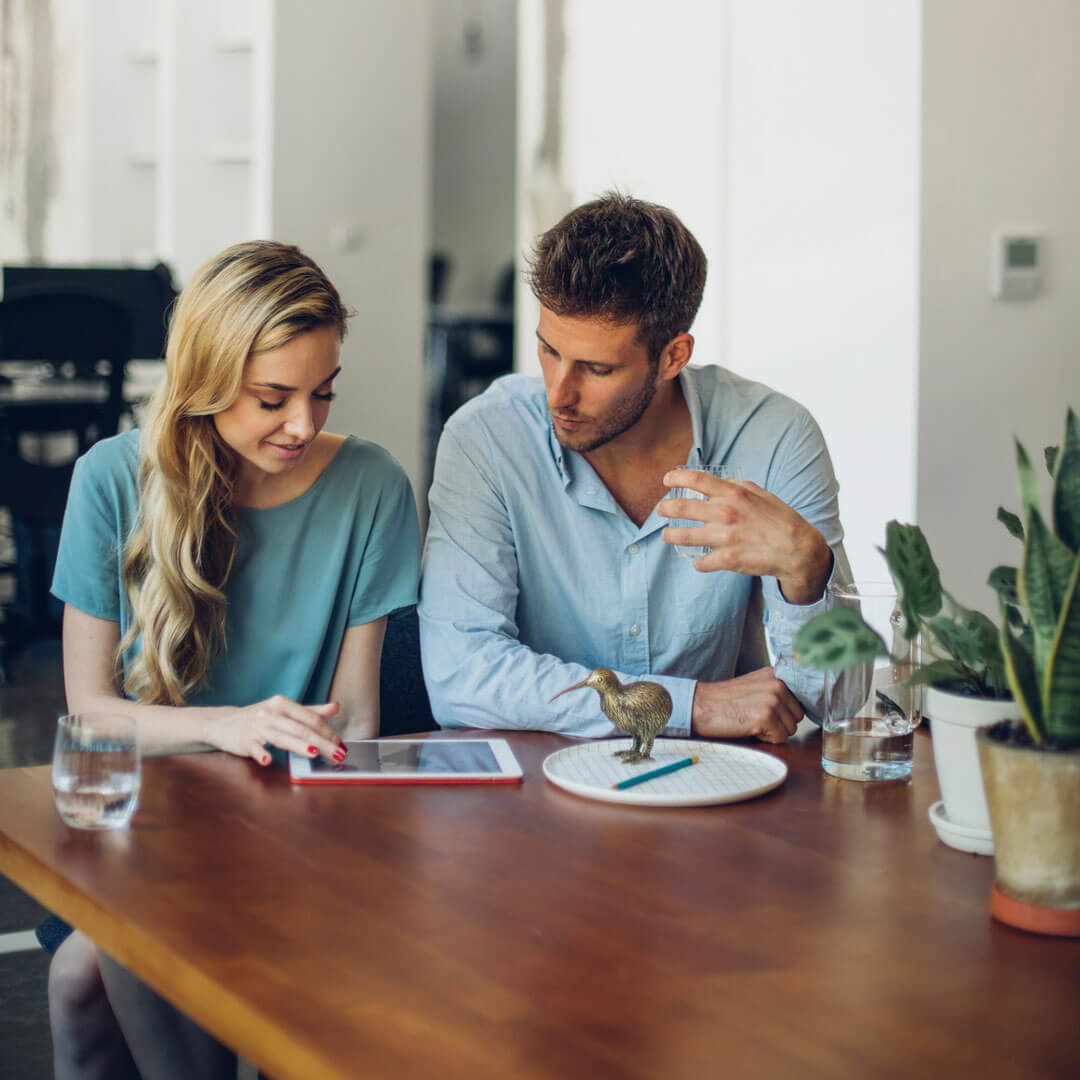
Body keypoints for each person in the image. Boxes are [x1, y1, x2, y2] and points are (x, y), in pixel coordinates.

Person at [45, 240, 421, 1079]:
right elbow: (91, 713)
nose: (304, 424)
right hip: (152, 827)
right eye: (272, 399)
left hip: (299, 830)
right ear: (206, 381)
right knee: (84, 978)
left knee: (98, 971)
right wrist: (229, 726)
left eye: (323, 392)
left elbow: (359, 718)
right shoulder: (110, 479)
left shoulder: (372, 487)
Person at [419, 192, 853, 743]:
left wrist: (808, 573)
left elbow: (838, 703)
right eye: (549, 350)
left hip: (720, 780)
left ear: (673, 356)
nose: (559, 393)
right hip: (540, 780)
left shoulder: (774, 438)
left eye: (596, 368)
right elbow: (461, 674)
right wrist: (690, 705)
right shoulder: (487, 439)